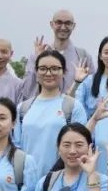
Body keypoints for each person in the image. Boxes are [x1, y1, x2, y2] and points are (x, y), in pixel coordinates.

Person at [15, 51, 88, 181]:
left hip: (60, 182)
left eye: (55, 69)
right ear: (36, 73)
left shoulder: (73, 107)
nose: (49, 73)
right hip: (26, 182)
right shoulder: (23, 108)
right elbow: (16, 148)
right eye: (43, 69)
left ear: (64, 72)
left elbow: (80, 147)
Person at [30, 10, 95, 91]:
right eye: (59, 22)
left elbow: (92, 89)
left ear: (73, 26)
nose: (63, 27)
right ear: (52, 24)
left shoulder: (84, 57)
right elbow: (27, 90)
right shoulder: (38, 55)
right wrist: (38, 61)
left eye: (67, 23)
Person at [74, 36, 108, 115]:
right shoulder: (89, 81)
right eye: (106, 52)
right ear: (100, 56)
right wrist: (77, 82)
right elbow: (75, 105)